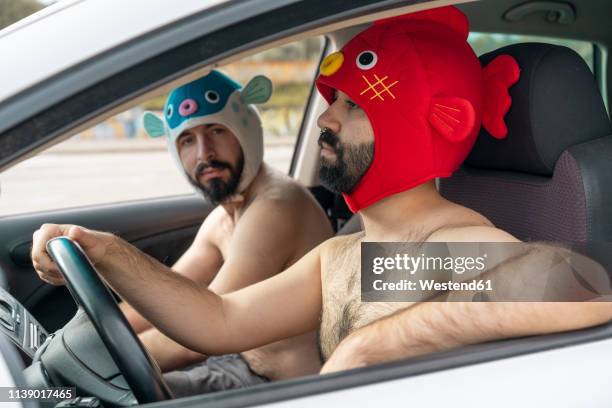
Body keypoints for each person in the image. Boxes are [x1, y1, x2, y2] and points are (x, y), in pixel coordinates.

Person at [31, 5, 611, 382]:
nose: (325, 121)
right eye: (332, 100)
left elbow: (582, 291)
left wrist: (368, 349)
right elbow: (220, 320)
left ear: (428, 123)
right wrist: (103, 250)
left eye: (355, 105)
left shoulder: (453, 241)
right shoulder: (353, 252)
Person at [46, 70, 333, 395]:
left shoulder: (277, 207)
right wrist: (70, 344)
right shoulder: (226, 217)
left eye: (216, 131)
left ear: (247, 132)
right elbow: (156, 301)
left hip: (286, 391)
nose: (204, 152)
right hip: (237, 369)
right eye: (187, 140)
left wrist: (81, 372)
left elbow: (204, 331)